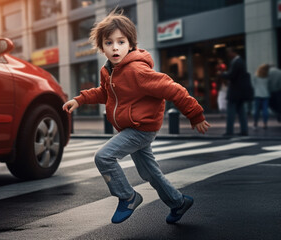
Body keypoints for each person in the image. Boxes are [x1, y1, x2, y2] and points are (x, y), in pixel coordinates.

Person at [62, 10, 210, 225]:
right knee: (149, 172)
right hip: (131, 128)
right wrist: (80, 100)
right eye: (109, 42)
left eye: (121, 42)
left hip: (142, 128)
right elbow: (105, 93)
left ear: (130, 44)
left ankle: (127, 197)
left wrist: (195, 114)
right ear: (101, 47)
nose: (115, 47)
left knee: (103, 157)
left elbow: (173, 89)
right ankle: (178, 202)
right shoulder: (109, 71)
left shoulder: (136, 71)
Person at [219, 47, 252, 136]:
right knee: (241, 112)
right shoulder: (239, 61)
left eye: (229, 52)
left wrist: (222, 74)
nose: (228, 54)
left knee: (231, 112)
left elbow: (232, 75)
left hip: (235, 92)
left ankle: (230, 131)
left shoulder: (237, 62)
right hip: (240, 92)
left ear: (233, 52)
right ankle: (244, 131)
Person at [251, 64, 270, 129]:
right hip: (265, 94)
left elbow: (253, 85)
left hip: (257, 94)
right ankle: (265, 124)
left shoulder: (256, 76)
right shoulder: (267, 76)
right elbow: (269, 85)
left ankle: (255, 123)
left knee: (256, 110)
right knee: (265, 110)